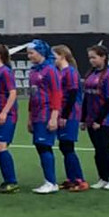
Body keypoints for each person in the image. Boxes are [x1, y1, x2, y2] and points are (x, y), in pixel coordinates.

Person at [83, 45, 109, 190]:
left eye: (94, 57)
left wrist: (98, 120)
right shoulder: (91, 74)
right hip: (92, 117)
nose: (91, 60)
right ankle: (103, 177)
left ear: (103, 57)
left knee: (103, 147)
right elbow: (86, 97)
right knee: (98, 149)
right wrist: (84, 119)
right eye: (90, 57)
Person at [26, 39, 62, 194]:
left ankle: (51, 182)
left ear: (40, 52)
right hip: (36, 113)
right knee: (40, 146)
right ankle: (49, 180)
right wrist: (29, 117)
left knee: (44, 146)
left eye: (31, 53)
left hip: (46, 113)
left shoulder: (50, 70)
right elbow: (32, 96)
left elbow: (56, 94)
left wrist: (54, 116)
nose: (29, 56)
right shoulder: (34, 71)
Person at [53, 45, 89, 192]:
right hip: (64, 114)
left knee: (68, 147)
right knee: (64, 147)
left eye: (54, 56)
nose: (51, 59)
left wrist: (65, 116)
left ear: (62, 56)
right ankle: (71, 178)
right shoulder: (61, 72)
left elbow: (73, 95)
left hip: (70, 115)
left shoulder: (70, 72)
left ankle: (80, 180)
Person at [0, 43, 20, 193]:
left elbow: (13, 93)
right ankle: (7, 180)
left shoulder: (5, 72)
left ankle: (12, 181)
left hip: (5, 114)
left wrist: (4, 112)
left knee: (1, 145)